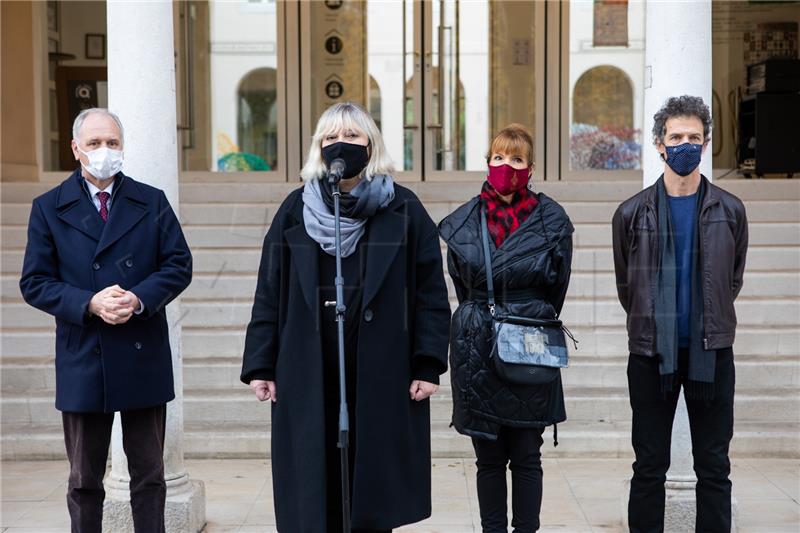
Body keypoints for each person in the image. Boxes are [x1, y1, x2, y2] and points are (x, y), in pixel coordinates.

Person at [240, 102, 451, 533]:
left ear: (371, 145)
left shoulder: (404, 209)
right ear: (320, 146)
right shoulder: (295, 209)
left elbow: (431, 293)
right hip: (309, 364)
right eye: (333, 136)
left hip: (381, 366)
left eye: (354, 136)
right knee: (315, 489)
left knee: (372, 489)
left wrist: (428, 363)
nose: (343, 145)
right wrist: (261, 363)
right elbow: (269, 292)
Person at [19, 108, 193, 533]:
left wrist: (136, 299)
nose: (104, 151)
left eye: (112, 143)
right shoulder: (48, 207)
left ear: (122, 148)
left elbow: (178, 265)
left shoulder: (150, 201)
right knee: (83, 480)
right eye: (94, 143)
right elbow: (35, 282)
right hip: (84, 353)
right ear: (76, 149)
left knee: (149, 475)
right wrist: (89, 303)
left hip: (141, 348)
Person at [612, 95, 748, 533]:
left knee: (714, 464)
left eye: (694, 137)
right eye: (676, 137)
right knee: (649, 463)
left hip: (712, 351)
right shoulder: (631, 213)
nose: (685, 144)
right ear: (659, 144)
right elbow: (626, 285)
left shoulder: (729, 210)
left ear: (705, 143)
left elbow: (732, 279)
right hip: (652, 355)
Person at [439, 124, 574, 532]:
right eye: (499, 158)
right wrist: (488, 315)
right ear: (487, 163)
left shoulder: (552, 221)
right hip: (478, 343)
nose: (506, 166)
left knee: (528, 455)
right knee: (489, 458)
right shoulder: (464, 222)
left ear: (529, 168)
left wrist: (524, 314)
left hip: (530, 338)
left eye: (516, 159)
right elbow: (462, 285)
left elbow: (558, 286)